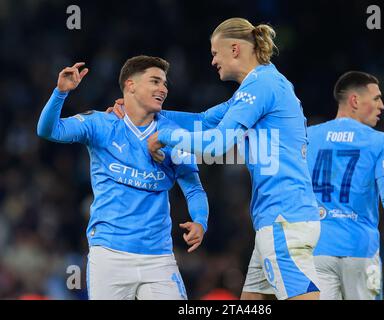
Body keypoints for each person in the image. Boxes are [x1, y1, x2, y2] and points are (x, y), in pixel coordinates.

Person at [110, 17, 321, 300]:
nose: (212, 62)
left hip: (284, 218)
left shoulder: (260, 86)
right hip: (278, 218)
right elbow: (203, 120)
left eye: (214, 53)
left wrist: (167, 136)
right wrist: (142, 108)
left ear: (234, 49)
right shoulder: (264, 84)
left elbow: (217, 145)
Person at [37, 56, 209, 300]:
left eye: (165, 84)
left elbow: (194, 190)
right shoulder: (101, 124)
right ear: (131, 85)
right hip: (109, 255)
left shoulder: (173, 136)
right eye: (155, 81)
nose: (163, 89)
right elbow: (48, 130)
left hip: (158, 258)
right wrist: (60, 93)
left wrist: (200, 221)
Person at [306, 71, 384, 300]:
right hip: (361, 252)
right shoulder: (380, 141)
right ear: (355, 100)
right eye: (376, 98)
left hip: (316, 251)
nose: (382, 105)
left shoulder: (309, 137)